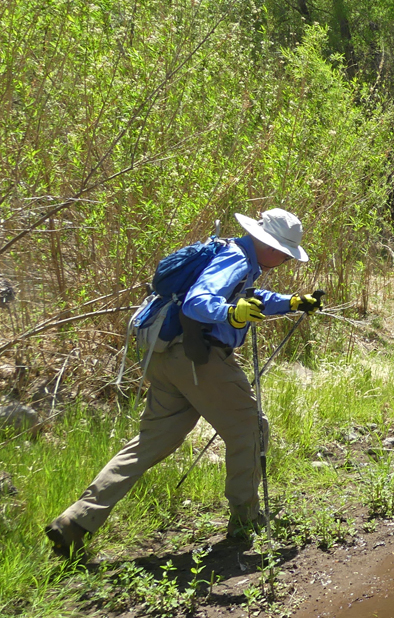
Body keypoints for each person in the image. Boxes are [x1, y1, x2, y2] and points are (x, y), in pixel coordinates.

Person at [45, 209, 323, 556]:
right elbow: (198, 303)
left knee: (151, 441)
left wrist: (292, 302)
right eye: (282, 252)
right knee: (248, 429)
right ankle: (245, 520)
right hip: (199, 361)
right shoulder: (236, 259)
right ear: (266, 242)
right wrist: (230, 314)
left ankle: (77, 519)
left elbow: (248, 297)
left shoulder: (233, 253)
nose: (283, 260)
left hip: (165, 358)